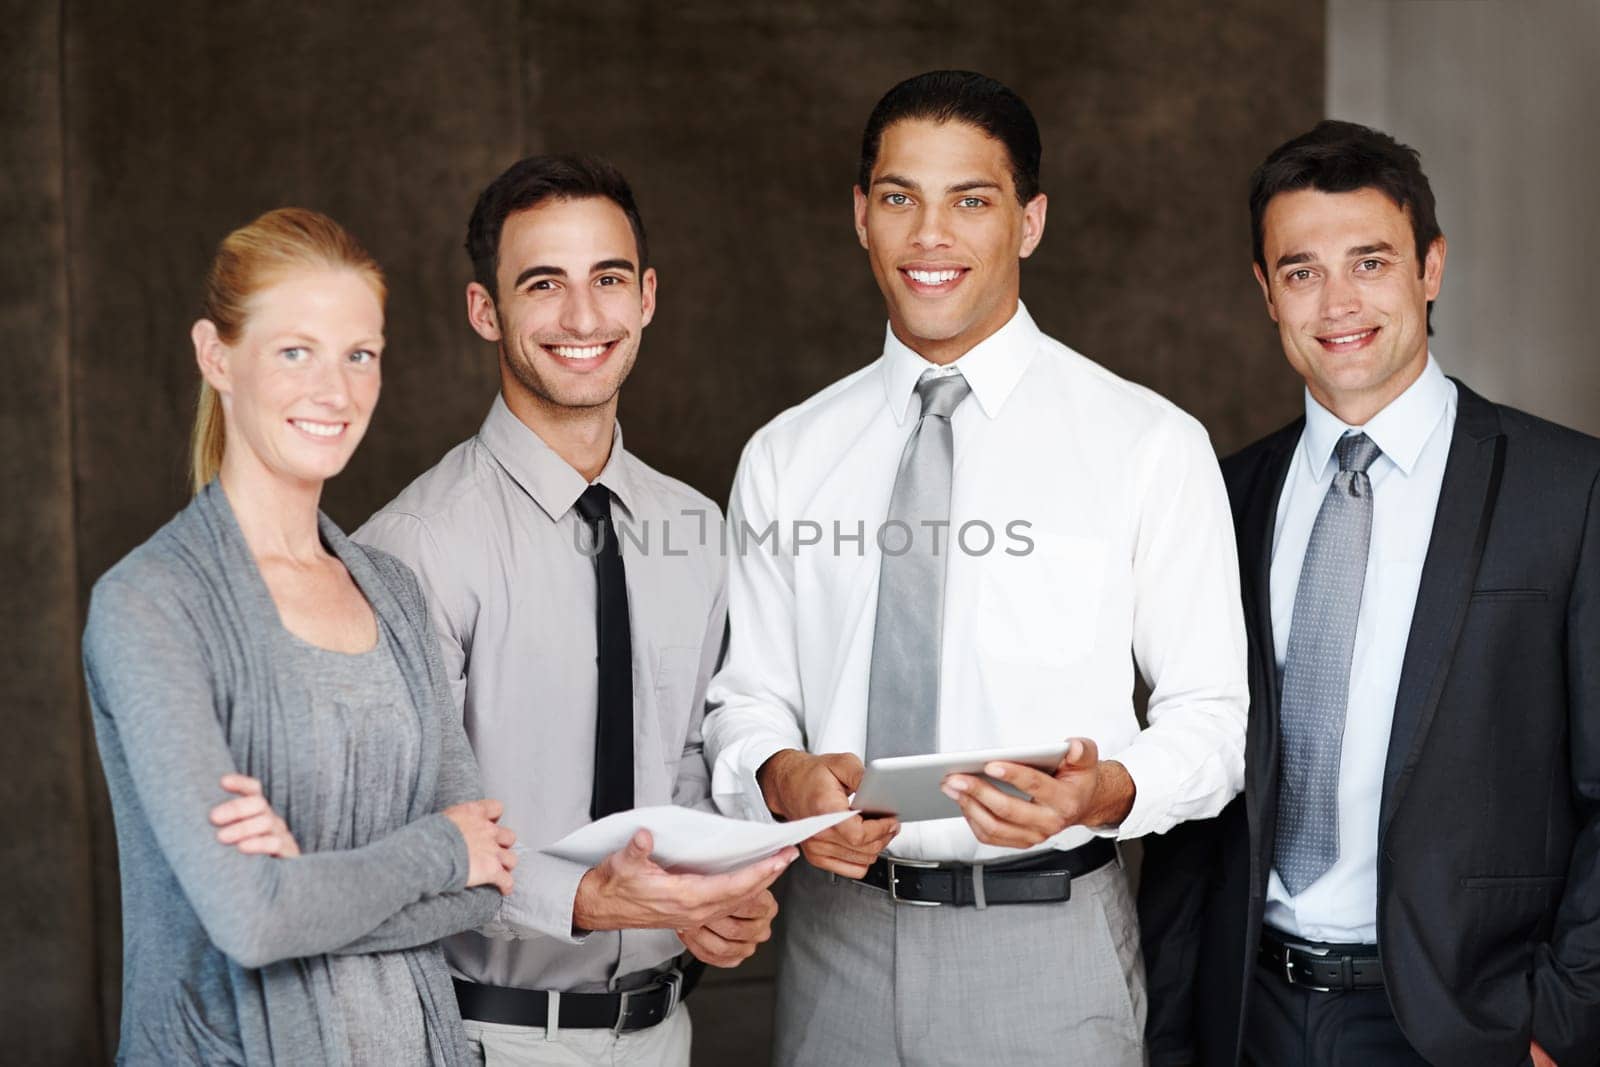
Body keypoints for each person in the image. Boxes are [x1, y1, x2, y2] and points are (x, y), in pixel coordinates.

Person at [700, 70, 1249, 1066]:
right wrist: (784, 779)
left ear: (1028, 222)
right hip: (836, 944)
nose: (929, 235)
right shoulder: (787, 452)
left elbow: (1213, 722)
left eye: (971, 199)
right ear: (859, 217)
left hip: (1048, 947)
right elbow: (744, 701)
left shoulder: (1147, 444)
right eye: (900, 197)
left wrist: (1101, 790)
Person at [1138, 120, 1600, 1067]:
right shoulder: (1218, 500)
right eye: (1301, 270)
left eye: (1370, 262)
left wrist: (1563, 1017)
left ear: (1429, 267)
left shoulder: (1572, 492)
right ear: (1265, 292)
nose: (1338, 302)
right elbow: (1197, 787)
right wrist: (1175, 1020)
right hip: (1249, 1012)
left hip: (1470, 1024)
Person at [356, 155, 793, 1067]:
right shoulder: (415, 547)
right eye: (544, 283)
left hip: (665, 1035)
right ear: (487, 311)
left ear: (648, 298)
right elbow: (395, 832)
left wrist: (713, 894)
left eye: (609, 279)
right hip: (484, 1038)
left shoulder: (696, 527)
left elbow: (688, 759)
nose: (584, 317)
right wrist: (587, 898)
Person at [82, 208, 520, 1065]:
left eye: (360, 354)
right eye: (295, 351)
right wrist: (437, 847)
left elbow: (489, 882)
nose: (336, 390)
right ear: (217, 357)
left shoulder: (390, 590)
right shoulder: (151, 603)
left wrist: (303, 885)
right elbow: (251, 917)